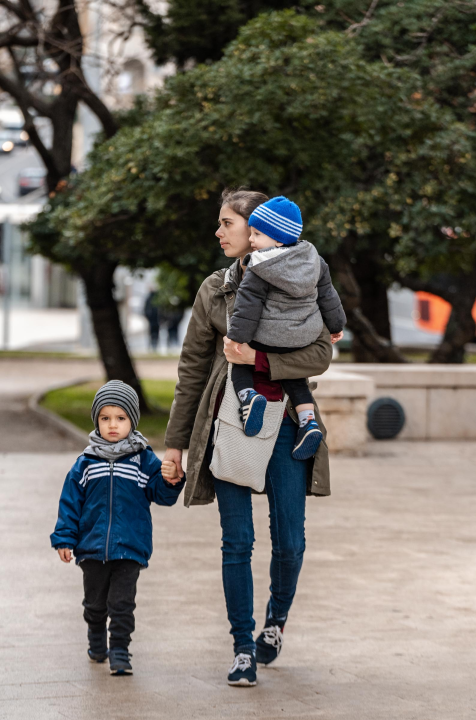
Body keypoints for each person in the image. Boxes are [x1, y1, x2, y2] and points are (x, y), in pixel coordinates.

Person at [161, 188, 333, 687]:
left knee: (290, 542)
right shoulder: (214, 289)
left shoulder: (301, 274)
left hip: (288, 426)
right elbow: (192, 370)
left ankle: (274, 622)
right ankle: (242, 647)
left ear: (258, 230)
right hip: (230, 423)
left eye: (227, 223)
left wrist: (260, 360)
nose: (219, 232)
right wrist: (175, 444)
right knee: (236, 541)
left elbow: (321, 353)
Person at [50, 381, 184, 676]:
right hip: (91, 548)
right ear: (96, 421)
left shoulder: (143, 460)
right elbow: (70, 503)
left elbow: (161, 495)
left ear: (132, 421)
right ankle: (96, 637)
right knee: (95, 605)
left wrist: (171, 479)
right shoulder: (86, 463)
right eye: (105, 418)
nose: (113, 425)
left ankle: (120, 651)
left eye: (120, 418)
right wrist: (64, 538)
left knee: (122, 604)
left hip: (130, 548)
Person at [224, 196, 345, 459]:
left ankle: (248, 397)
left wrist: (237, 338)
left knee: (240, 364)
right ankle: (308, 421)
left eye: (257, 234)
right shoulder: (315, 260)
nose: (251, 239)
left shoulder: (259, 264)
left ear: (278, 239)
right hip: (303, 335)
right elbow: (328, 295)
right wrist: (336, 325)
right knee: (294, 376)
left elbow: (249, 304)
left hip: (268, 335)